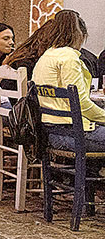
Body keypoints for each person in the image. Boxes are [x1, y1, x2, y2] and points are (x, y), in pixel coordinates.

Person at [33, 11, 105, 151]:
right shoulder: (69, 58)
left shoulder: (47, 55)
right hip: (71, 134)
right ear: (80, 35)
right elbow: (81, 103)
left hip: (50, 131)